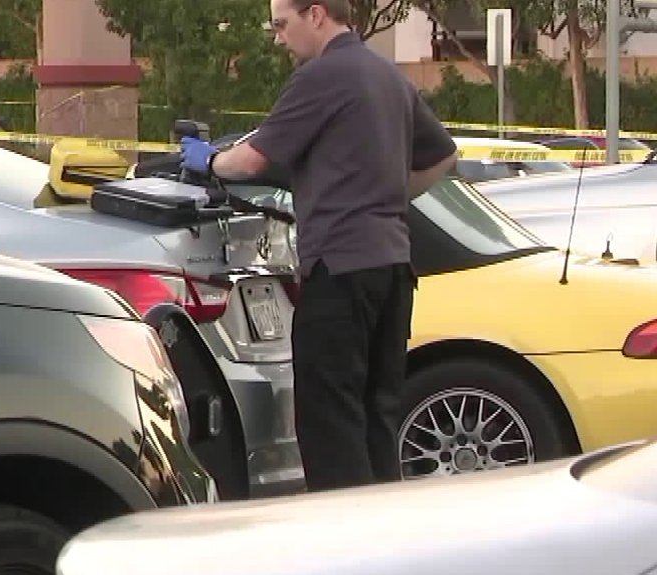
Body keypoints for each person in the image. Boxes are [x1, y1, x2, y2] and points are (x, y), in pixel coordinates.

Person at [183, 0, 458, 492]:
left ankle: (344, 534)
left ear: (316, 14)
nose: (278, 38)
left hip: (339, 271)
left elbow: (251, 160)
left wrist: (208, 161)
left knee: (329, 423)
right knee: (377, 418)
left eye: (282, 25)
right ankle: (387, 532)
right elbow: (443, 157)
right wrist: (388, 193)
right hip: (394, 270)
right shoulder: (387, 75)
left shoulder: (322, 76)